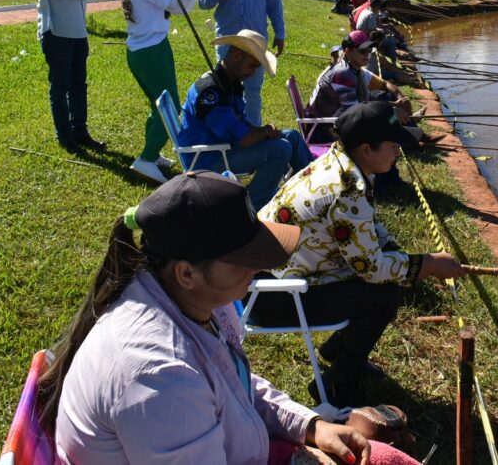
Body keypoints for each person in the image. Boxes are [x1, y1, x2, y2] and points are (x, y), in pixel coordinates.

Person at [39, 171, 373, 465]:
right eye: (243, 258)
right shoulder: (159, 377)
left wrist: (310, 425)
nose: (258, 268)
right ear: (186, 273)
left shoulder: (197, 300)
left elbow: (234, 388)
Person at [250, 102, 466, 404]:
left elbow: (367, 225)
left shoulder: (340, 162)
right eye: (392, 146)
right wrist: (426, 263)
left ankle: (336, 350)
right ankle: (339, 383)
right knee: (385, 294)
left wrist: (395, 249)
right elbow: (371, 268)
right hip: (271, 296)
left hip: (266, 275)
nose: (397, 152)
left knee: (392, 277)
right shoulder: (348, 189)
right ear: (367, 149)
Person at [179, 29, 313, 209]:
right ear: (236, 55)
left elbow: (240, 124)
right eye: (253, 65)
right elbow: (243, 138)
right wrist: (264, 131)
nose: (253, 72)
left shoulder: (230, 83)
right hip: (208, 158)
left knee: (292, 136)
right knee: (280, 149)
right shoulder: (211, 91)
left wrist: (265, 132)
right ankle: (250, 207)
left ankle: (312, 189)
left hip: (224, 146)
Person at [18, 0, 105, 153]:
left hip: (78, 28)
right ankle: (65, 136)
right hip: (55, 29)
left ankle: (80, 131)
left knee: (79, 82)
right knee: (61, 85)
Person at [119, 0, 206, 184]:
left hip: (140, 51)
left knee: (156, 104)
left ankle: (153, 153)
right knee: (167, 106)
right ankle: (145, 159)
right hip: (152, 51)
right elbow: (180, 6)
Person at [198, 0, 285, 127]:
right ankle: (232, 134)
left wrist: (279, 33)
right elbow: (202, 1)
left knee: (253, 92)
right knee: (227, 90)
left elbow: (274, 3)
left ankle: (254, 133)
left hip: (255, 42)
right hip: (228, 43)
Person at [306, 31, 414, 140]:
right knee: (391, 124)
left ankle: (409, 128)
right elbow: (357, 112)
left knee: (391, 120)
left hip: (336, 122)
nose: (367, 54)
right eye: (362, 50)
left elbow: (366, 100)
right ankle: (412, 133)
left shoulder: (354, 70)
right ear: (348, 51)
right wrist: (391, 111)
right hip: (322, 131)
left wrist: (394, 105)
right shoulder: (342, 74)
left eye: (369, 49)